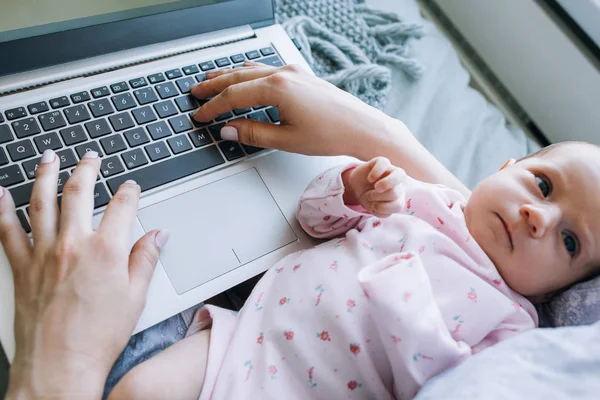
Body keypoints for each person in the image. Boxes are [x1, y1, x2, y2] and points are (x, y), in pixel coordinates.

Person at [1, 63, 596, 399]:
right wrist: (354, 192)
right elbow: (314, 221)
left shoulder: (514, 325)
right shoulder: (422, 198)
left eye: (569, 242)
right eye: (543, 185)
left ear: (555, 293)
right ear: (508, 167)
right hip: (243, 341)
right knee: (137, 392)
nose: (537, 217)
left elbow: (452, 383)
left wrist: (410, 307)